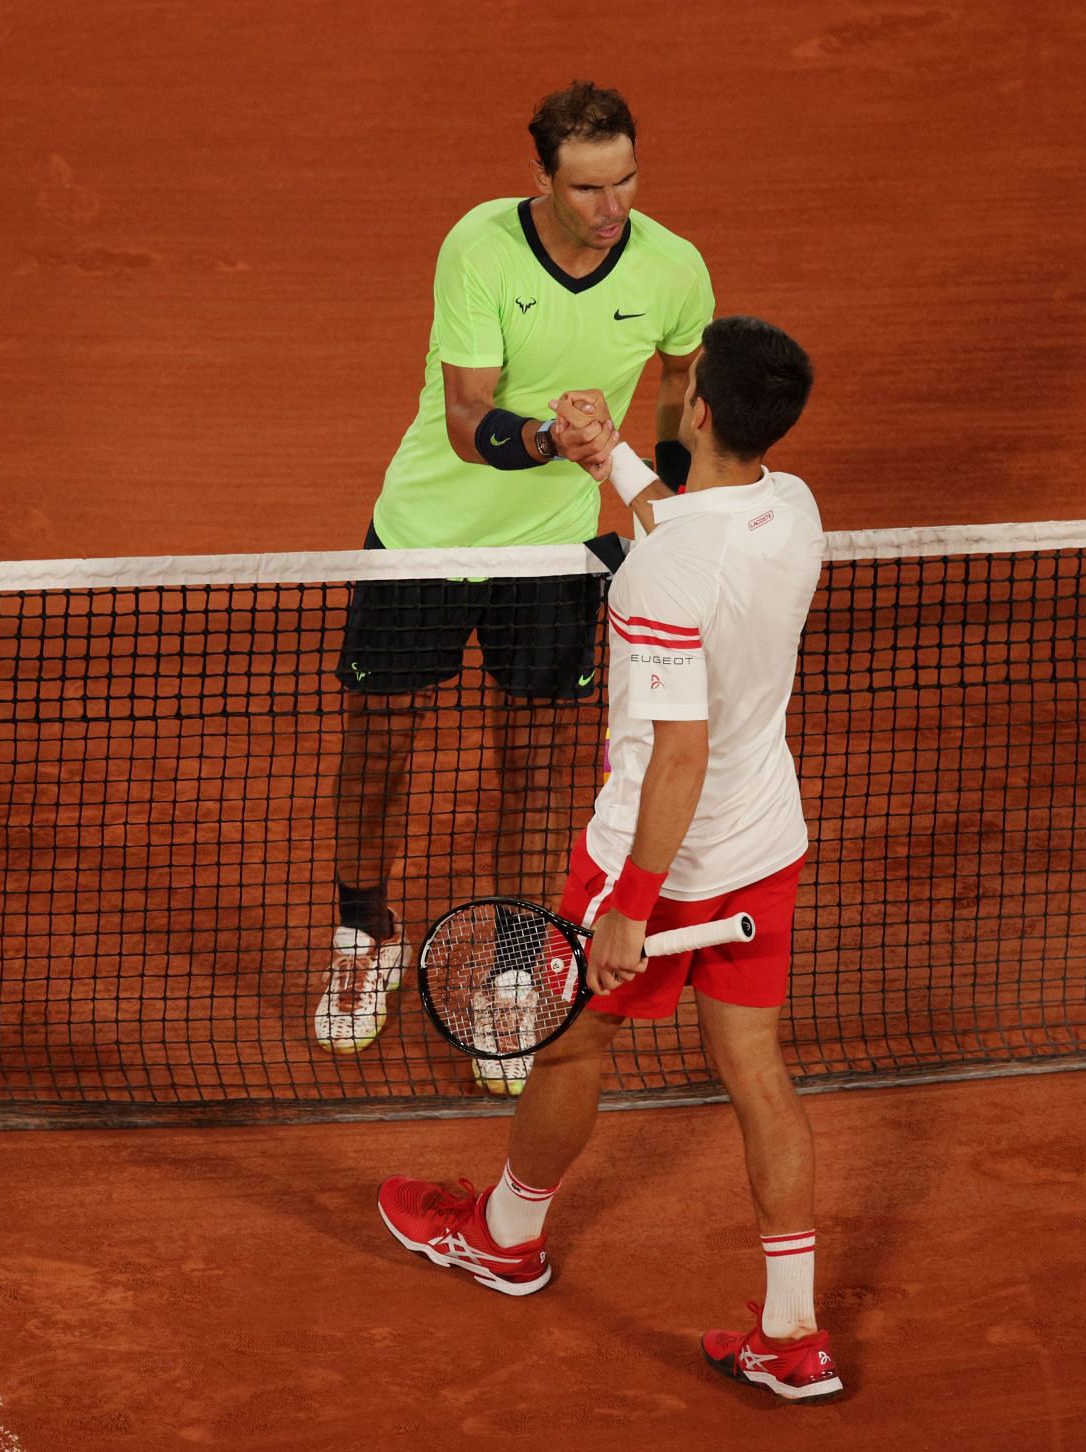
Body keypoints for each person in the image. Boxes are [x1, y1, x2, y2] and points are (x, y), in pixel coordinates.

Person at [376, 316, 844, 1404]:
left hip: (653, 861)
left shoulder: (651, 584)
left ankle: (502, 1239)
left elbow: (677, 749)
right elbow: (686, 530)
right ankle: (796, 1335)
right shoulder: (794, 507)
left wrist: (630, 907)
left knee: (570, 1053)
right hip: (763, 845)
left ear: (704, 410)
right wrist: (606, 458)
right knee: (758, 1073)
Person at [316, 81, 715, 1097]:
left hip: (557, 558)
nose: (612, 207)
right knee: (379, 747)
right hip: (425, 540)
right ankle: (365, 930)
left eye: (625, 180)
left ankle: (508, 965)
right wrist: (555, 437)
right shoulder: (480, 247)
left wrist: (649, 474)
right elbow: (467, 421)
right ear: (541, 179)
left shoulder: (674, 269)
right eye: (587, 189)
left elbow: (679, 383)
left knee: (535, 766)